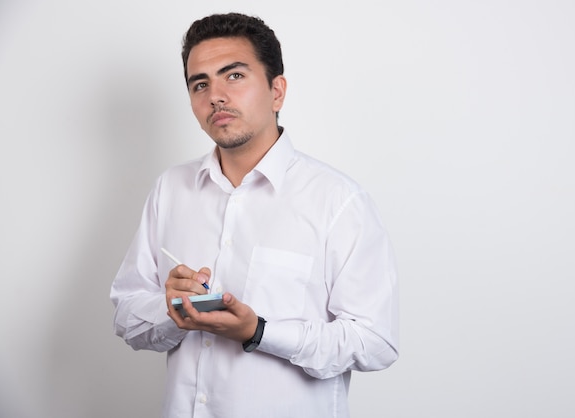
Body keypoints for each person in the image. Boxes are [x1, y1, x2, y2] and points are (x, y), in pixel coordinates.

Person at [110, 12, 399, 418]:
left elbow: (374, 342)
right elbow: (127, 316)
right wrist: (172, 307)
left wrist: (260, 332)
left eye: (234, 76)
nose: (215, 96)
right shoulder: (170, 190)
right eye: (200, 83)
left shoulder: (338, 201)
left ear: (277, 91)